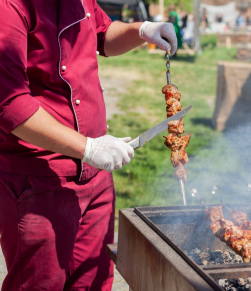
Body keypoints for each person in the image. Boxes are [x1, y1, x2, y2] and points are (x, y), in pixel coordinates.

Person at [0, 0, 177, 290]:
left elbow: (102, 35)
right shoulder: (10, 6)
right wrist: (89, 148)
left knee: (92, 283)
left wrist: (142, 30)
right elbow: (10, 105)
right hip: (39, 180)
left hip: (97, 181)